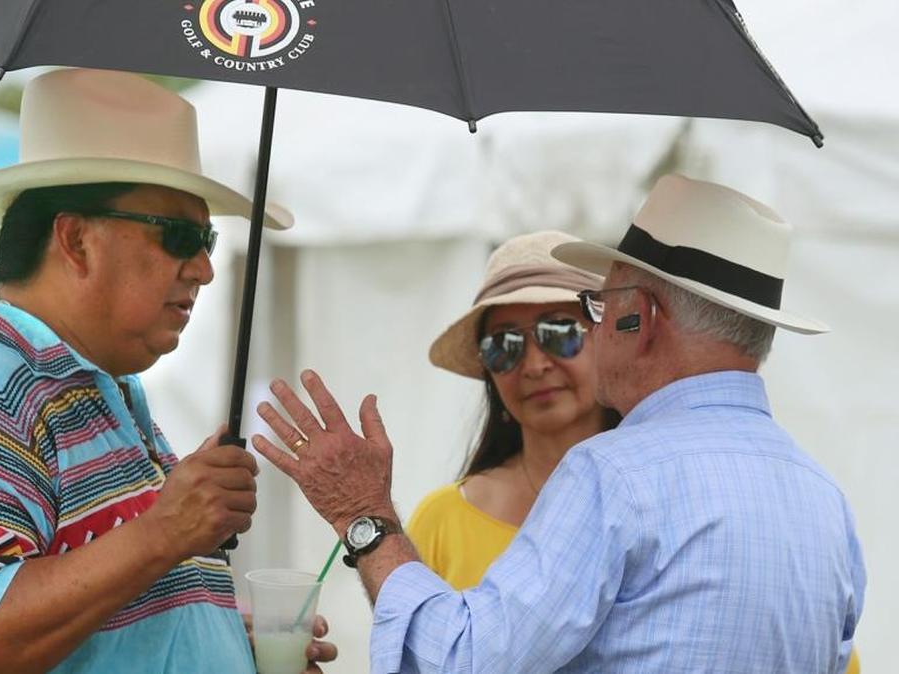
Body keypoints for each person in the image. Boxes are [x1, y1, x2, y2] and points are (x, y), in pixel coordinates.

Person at [253, 174, 865, 672]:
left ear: (641, 318)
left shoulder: (614, 474)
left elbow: (464, 661)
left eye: (591, 312)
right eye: (505, 346)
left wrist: (364, 517)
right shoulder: (824, 500)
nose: (544, 359)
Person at [0, 68, 335, 674]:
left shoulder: (90, 391)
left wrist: (217, 633)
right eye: (182, 236)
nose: (204, 269)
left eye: (208, 239)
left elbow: (97, 609)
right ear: (77, 241)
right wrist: (166, 531)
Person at [408, 231, 620, 591]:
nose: (534, 366)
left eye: (558, 331)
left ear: (608, 340)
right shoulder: (441, 520)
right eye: (504, 345)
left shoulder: (658, 502)